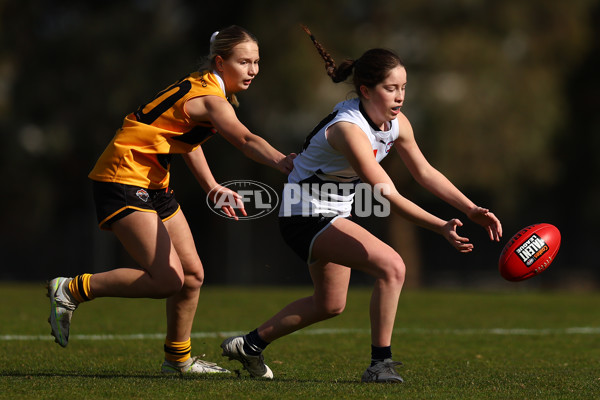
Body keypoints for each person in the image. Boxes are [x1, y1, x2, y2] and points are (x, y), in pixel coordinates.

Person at [220, 26, 502, 383]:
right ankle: (379, 364)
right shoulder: (348, 130)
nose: (399, 97)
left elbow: (425, 172)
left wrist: (469, 208)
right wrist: (440, 226)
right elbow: (387, 195)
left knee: (330, 304)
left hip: (332, 213)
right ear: (366, 90)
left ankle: (250, 345)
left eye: (403, 88)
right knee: (393, 267)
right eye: (390, 89)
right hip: (304, 214)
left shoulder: (396, 123)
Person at [46, 25, 295, 375]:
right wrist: (284, 162)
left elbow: (185, 141)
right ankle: (72, 288)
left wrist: (211, 186)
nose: (252, 70)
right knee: (167, 279)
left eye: (256, 61)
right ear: (220, 62)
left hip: (153, 182)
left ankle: (178, 361)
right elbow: (244, 139)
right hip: (123, 175)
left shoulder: (203, 85)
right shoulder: (211, 98)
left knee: (192, 275)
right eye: (244, 62)